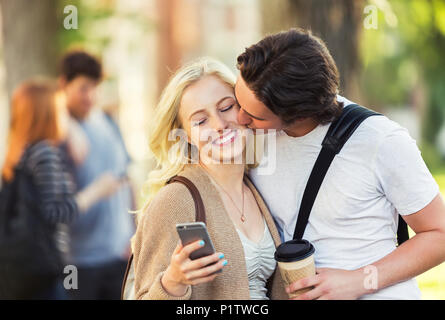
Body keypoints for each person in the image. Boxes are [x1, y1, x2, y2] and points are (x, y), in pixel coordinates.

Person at [233, 28, 445, 300]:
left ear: (298, 115)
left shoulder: (381, 141)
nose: (239, 119)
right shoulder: (254, 137)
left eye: (253, 115)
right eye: (237, 101)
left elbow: (439, 234)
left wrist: (360, 281)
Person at [131, 57, 287, 300]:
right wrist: (172, 282)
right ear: (187, 136)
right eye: (201, 121)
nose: (220, 125)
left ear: (244, 109)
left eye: (226, 107)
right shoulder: (175, 199)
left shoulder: (258, 186)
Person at [0, 79, 120, 299]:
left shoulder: (18, 151)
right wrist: (97, 191)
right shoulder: (45, 153)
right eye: (59, 108)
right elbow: (54, 212)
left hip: (21, 269)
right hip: (47, 268)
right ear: (48, 112)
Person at [58, 50, 135, 300]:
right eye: (83, 88)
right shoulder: (58, 132)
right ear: (63, 85)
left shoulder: (109, 122)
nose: (90, 96)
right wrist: (65, 122)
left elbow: (126, 180)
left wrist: (135, 233)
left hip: (119, 254)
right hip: (78, 260)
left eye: (95, 87)